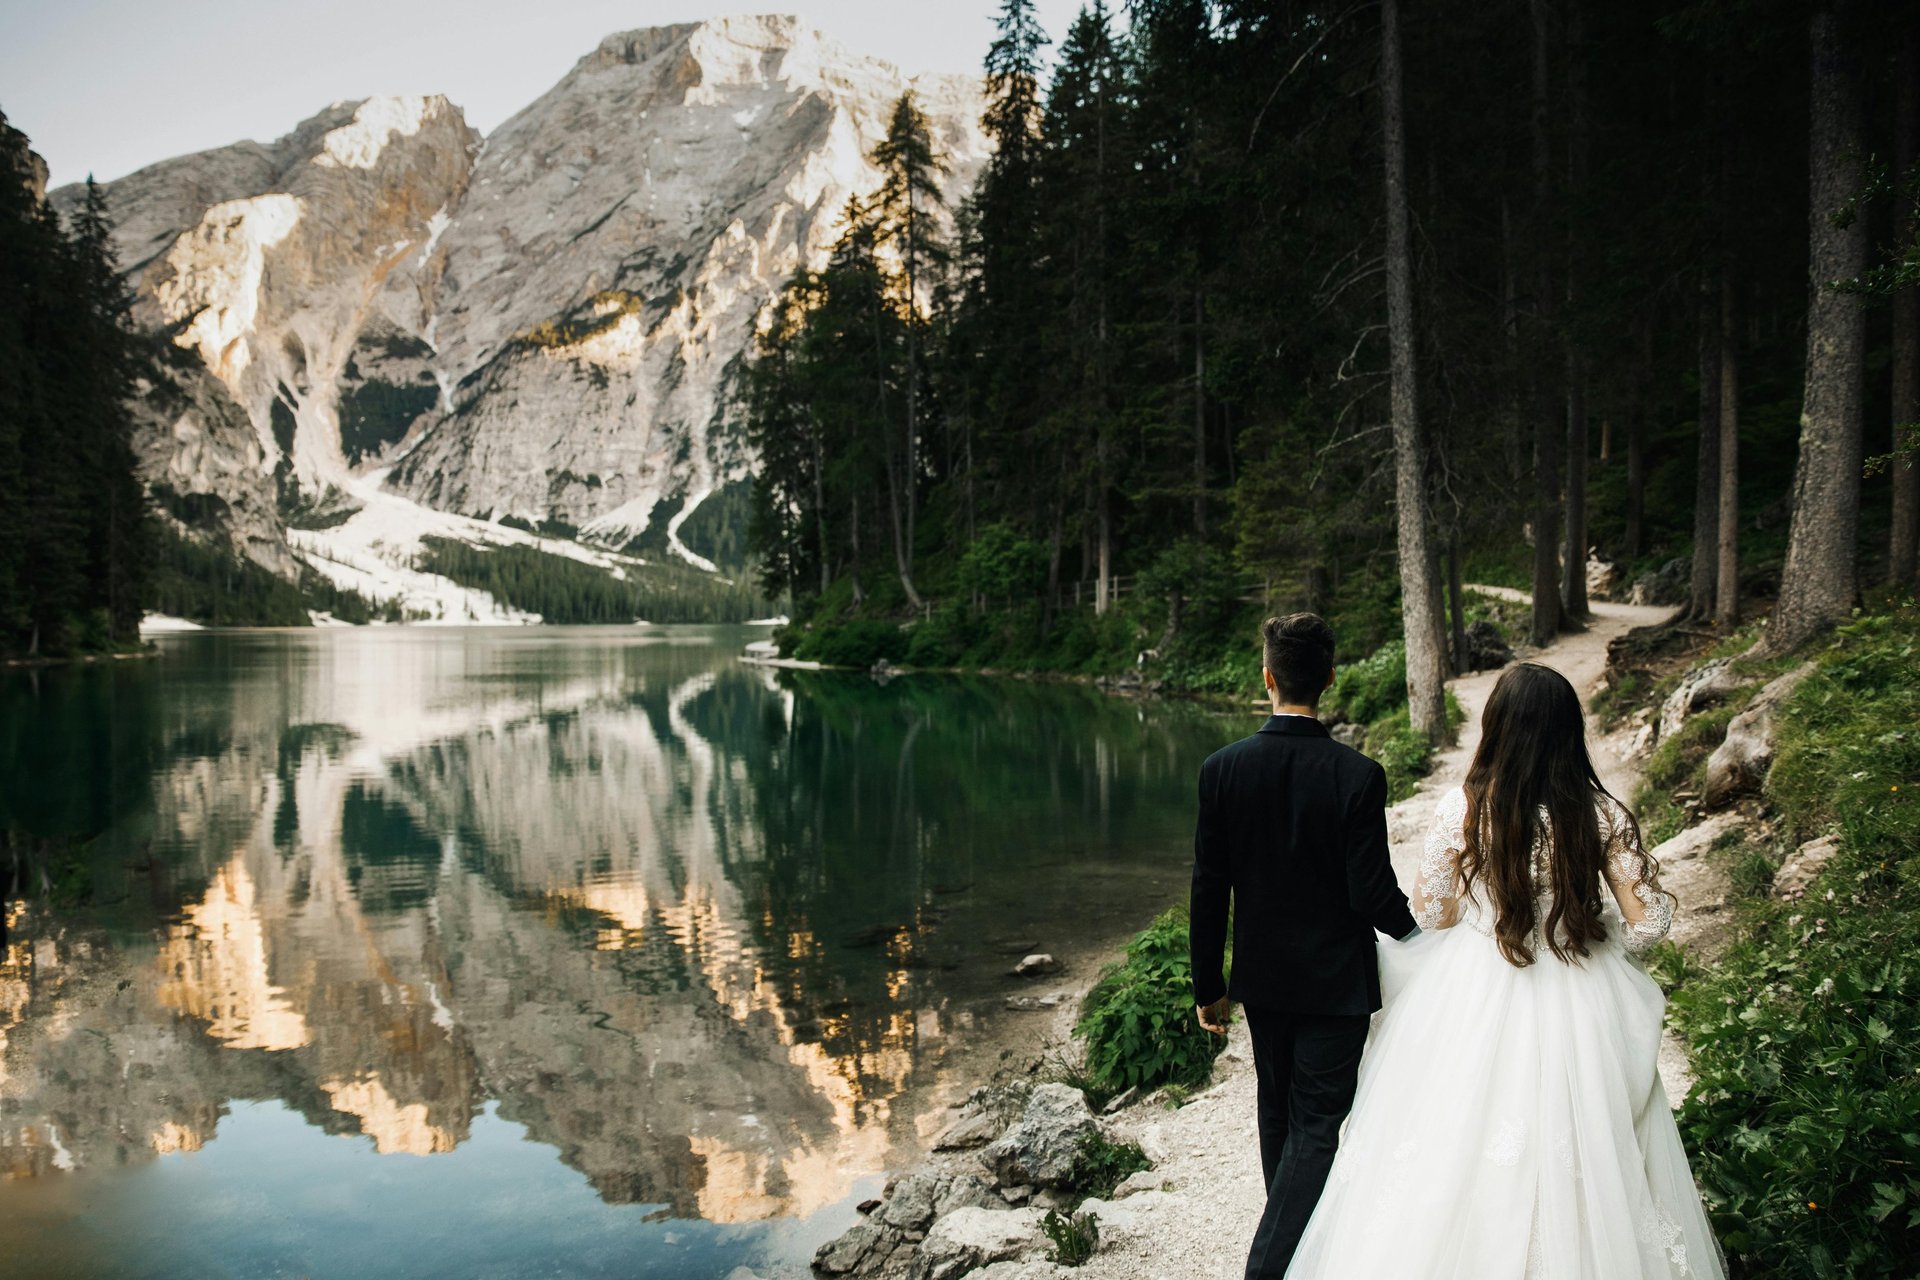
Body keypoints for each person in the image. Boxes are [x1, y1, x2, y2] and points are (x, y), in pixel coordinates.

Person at [1283, 662, 1726, 1279]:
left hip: (1476, 985)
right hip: (1580, 982)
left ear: (1496, 727)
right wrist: (1588, 926)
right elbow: (1651, 922)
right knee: (1591, 1133)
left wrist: (1482, 907)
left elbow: (1429, 913)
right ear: (1569, 732)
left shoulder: (1465, 807)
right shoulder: (1598, 813)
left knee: (1452, 1135)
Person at [1189, 613, 1421, 1280]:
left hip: (1262, 981)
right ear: (1330, 678)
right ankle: (1275, 1265)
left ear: (1267, 677)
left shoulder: (1221, 770)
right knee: (1317, 1124)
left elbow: (1210, 887)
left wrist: (1209, 984)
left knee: (1277, 1116)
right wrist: (1423, 940)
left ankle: (1289, 1256)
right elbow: (1370, 892)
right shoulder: (1358, 774)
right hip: (1335, 984)